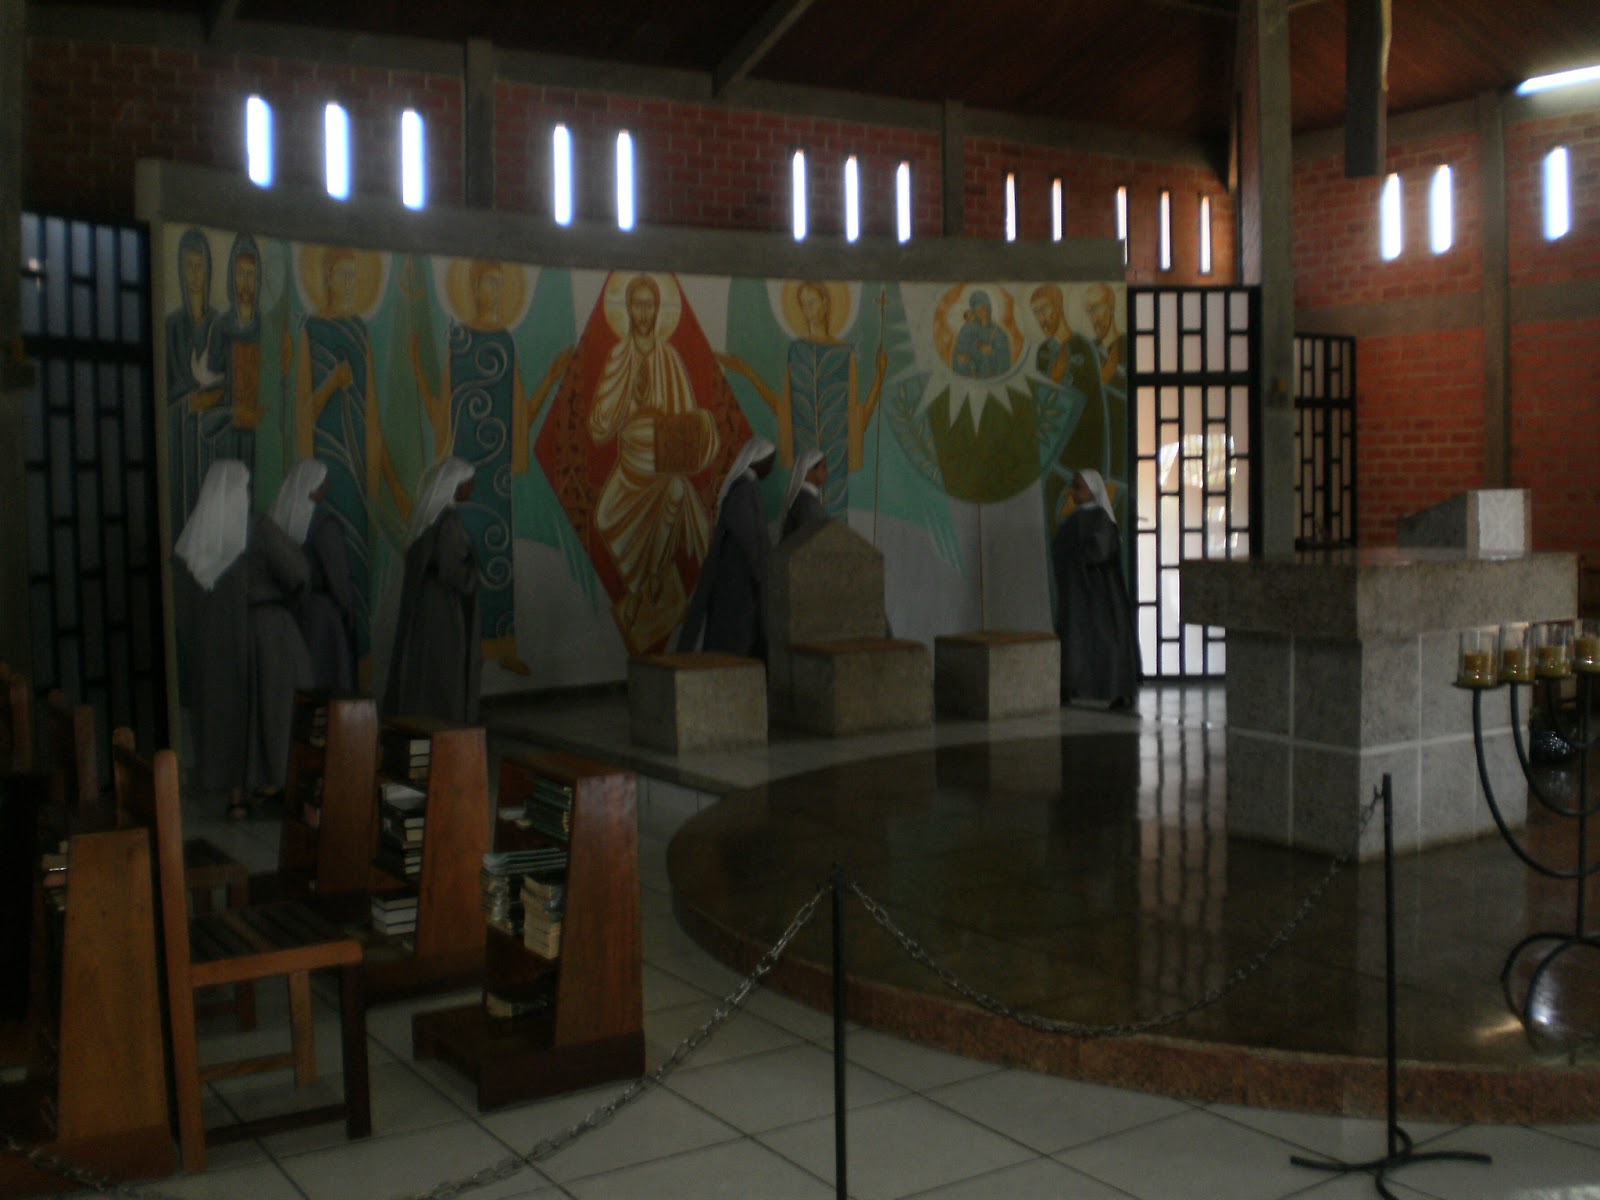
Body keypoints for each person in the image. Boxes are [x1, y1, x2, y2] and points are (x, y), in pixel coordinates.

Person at [173, 459, 314, 820]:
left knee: (235, 714)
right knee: (278, 711)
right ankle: (282, 785)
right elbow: (297, 571)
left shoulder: (201, 535)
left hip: (221, 642)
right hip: (269, 632)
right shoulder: (258, 527)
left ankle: (237, 797)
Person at [588, 273, 720, 636]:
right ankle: (641, 585)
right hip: (630, 464)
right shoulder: (618, 356)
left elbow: (688, 418)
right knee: (604, 517)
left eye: (649, 304)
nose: (643, 312)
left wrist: (690, 425)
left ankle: (645, 588)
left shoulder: (671, 358)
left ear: (658, 309)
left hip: (663, 463)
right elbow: (599, 428)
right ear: (628, 309)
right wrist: (623, 399)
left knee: (675, 493)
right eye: (637, 304)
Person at [384, 458, 482, 724]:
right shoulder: (449, 521)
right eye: (469, 483)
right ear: (455, 486)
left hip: (426, 602)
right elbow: (453, 568)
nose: (472, 488)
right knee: (443, 666)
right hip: (443, 605)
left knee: (424, 665)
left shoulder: (429, 519)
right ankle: (443, 725)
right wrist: (473, 573)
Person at [677, 436, 777, 659]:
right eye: (769, 461)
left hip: (745, 582)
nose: (771, 468)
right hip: (736, 583)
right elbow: (749, 539)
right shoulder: (742, 491)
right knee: (732, 643)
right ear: (756, 461)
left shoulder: (749, 488)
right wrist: (763, 573)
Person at [1051, 468, 1140, 709]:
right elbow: (1059, 550)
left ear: (1093, 490)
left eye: (1079, 486)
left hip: (1102, 595)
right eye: (1074, 486)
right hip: (1078, 593)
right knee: (1075, 641)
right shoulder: (1073, 521)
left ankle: (1114, 689)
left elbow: (1099, 551)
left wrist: (1077, 557)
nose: (1074, 491)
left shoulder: (1102, 520)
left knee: (1107, 640)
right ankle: (1072, 688)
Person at [271, 458, 358, 692]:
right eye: (323, 483)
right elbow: (337, 576)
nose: (327, 487)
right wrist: (348, 612)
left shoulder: (277, 522)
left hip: (290, 612)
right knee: (326, 683)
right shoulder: (324, 525)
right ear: (314, 487)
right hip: (322, 617)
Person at [779, 447, 828, 543]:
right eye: (824, 467)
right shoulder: (807, 501)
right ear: (809, 471)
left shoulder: (803, 497)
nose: (827, 472)